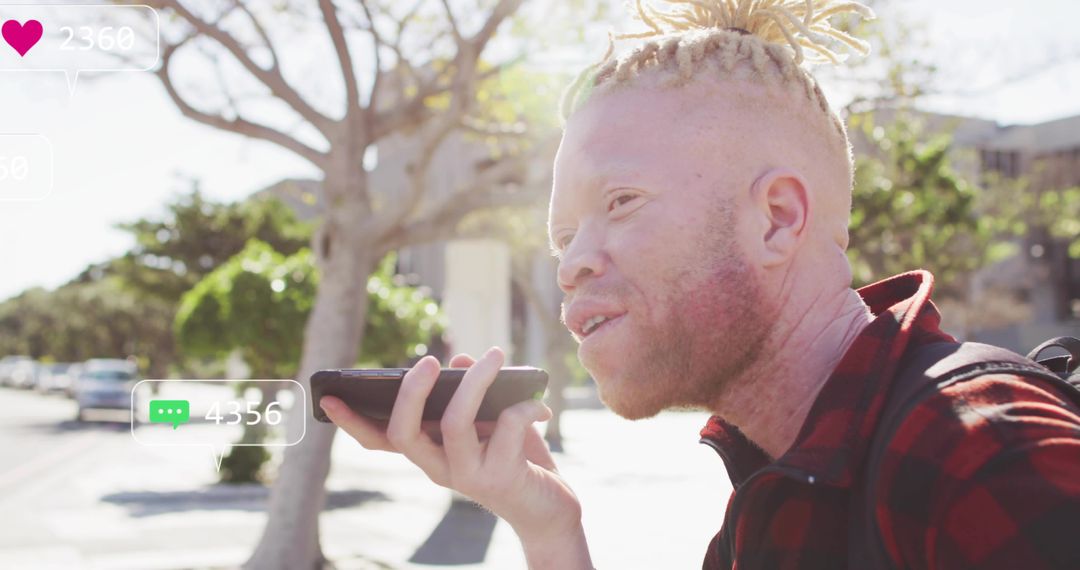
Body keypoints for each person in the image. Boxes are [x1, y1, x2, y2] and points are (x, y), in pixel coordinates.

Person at [320, 0, 1080, 568]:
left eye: (620, 202)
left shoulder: (985, 459)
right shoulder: (774, 484)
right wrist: (547, 526)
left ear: (777, 219)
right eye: (562, 235)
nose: (572, 262)